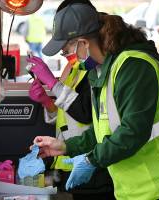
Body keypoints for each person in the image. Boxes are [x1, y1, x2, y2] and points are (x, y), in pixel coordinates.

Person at [28, 3, 159, 200]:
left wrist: (91, 160)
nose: (67, 57)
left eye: (66, 50)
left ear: (83, 43)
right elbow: (104, 129)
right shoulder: (102, 71)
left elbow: (132, 133)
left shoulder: (134, 66)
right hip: (137, 190)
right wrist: (65, 147)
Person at [28, 1, 114, 199]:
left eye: (65, 48)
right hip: (68, 160)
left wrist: (52, 83)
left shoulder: (98, 68)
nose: (64, 53)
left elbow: (85, 113)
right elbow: (65, 115)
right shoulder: (73, 67)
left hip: (93, 165)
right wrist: (47, 103)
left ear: (81, 40)